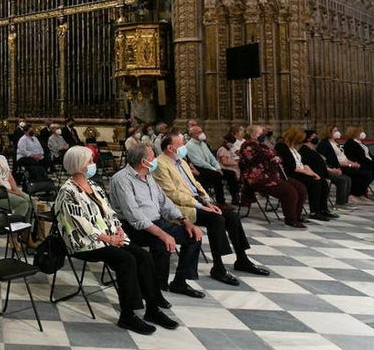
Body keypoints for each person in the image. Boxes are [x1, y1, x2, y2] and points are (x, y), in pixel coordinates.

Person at [55, 146, 177, 334]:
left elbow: (110, 213)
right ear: (78, 165)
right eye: (89, 162)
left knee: (143, 256)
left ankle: (152, 308)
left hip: (110, 237)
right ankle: (127, 316)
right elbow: (80, 225)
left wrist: (119, 231)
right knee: (126, 260)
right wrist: (109, 239)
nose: (92, 164)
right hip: (85, 242)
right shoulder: (67, 191)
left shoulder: (94, 186)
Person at [154, 134, 271, 284]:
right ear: (170, 148)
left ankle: (242, 259)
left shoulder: (181, 162)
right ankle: (218, 267)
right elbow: (171, 194)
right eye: (181, 144)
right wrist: (200, 205)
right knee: (216, 219)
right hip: (181, 207)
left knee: (231, 216)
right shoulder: (160, 164)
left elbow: (195, 184)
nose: (184, 146)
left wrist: (208, 201)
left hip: (198, 201)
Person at [108, 140, 205, 299]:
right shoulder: (121, 180)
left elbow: (165, 202)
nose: (155, 160)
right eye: (153, 157)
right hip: (133, 228)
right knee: (162, 244)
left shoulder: (148, 175)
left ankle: (179, 282)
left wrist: (184, 220)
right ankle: (155, 290)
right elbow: (135, 217)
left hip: (156, 222)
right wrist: (163, 234)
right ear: (143, 161)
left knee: (194, 236)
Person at [238, 124, 308, 228]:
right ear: (253, 135)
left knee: (300, 188)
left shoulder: (261, 145)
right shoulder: (247, 146)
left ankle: (297, 215)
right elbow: (259, 157)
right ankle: (290, 219)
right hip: (259, 178)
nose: (263, 135)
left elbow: (276, 154)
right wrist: (271, 157)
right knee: (289, 191)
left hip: (274, 174)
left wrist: (274, 157)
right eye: (260, 133)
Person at [276, 127, 338, 221]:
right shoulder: (282, 146)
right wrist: (310, 174)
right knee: (315, 183)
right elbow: (292, 167)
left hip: (299, 170)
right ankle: (314, 212)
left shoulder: (294, 147)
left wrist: (313, 173)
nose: (301, 141)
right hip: (291, 173)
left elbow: (303, 164)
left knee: (323, 182)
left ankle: (323, 209)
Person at [317, 125, 372, 201]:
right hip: (336, 166)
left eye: (337, 130)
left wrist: (352, 163)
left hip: (345, 164)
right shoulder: (325, 144)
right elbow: (331, 160)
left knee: (365, 171)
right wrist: (349, 165)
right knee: (361, 174)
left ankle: (360, 193)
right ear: (328, 133)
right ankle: (354, 194)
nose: (338, 132)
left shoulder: (336, 143)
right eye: (335, 131)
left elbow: (344, 157)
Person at [185, 124, 237, 204]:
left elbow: (211, 157)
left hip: (211, 167)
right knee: (217, 175)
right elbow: (199, 162)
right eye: (199, 132)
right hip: (200, 168)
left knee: (231, 174)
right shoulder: (189, 146)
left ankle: (235, 198)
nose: (202, 133)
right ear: (193, 134)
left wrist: (217, 167)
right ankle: (221, 201)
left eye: (201, 131)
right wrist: (214, 169)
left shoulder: (203, 144)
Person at [301, 129, 351, 208]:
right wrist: (332, 171)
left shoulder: (313, 149)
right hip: (317, 172)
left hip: (324, 170)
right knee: (341, 180)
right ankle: (339, 204)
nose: (316, 138)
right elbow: (309, 165)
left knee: (347, 178)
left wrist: (333, 169)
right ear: (307, 138)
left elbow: (322, 163)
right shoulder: (305, 150)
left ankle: (342, 203)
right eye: (313, 136)